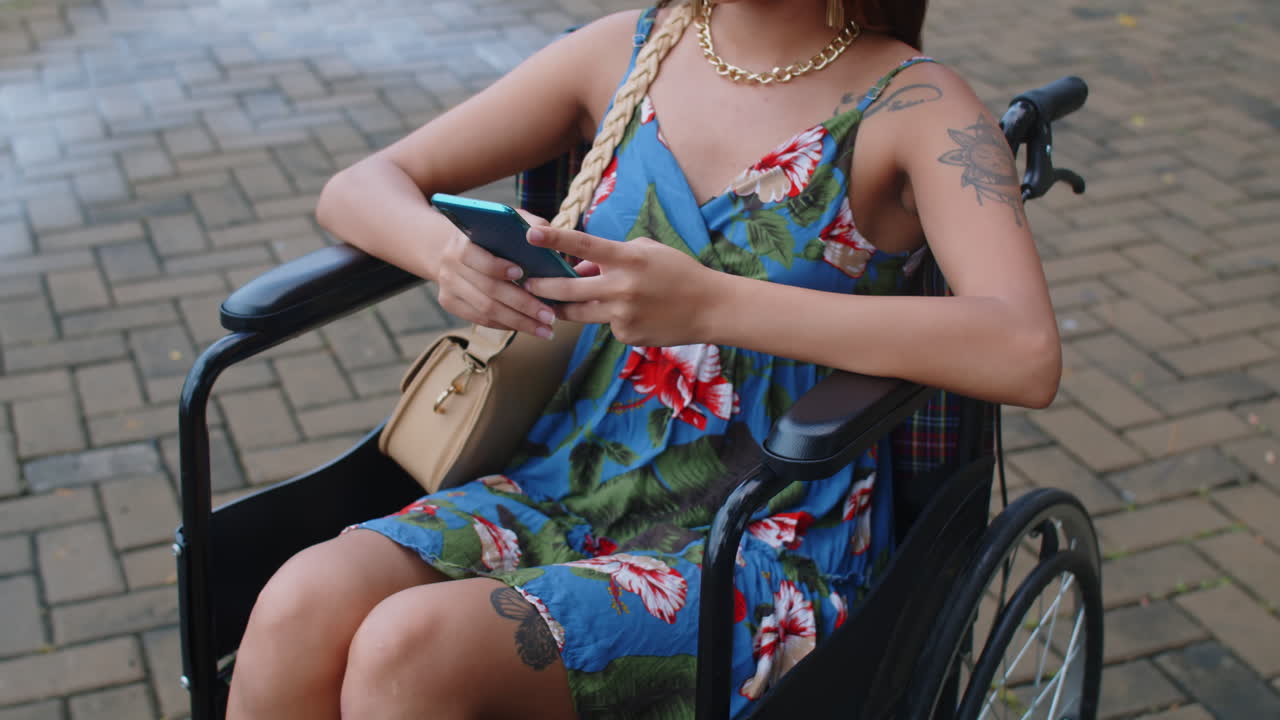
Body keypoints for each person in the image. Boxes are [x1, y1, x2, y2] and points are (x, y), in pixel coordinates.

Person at [226, 0, 1061, 717]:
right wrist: (446, 255)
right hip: (563, 486)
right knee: (301, 602)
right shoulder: (630, 50)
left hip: (765, 535)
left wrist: (713, 304)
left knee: (410, 651)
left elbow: (1024, 350)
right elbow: (359, 186)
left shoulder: (915, 103)